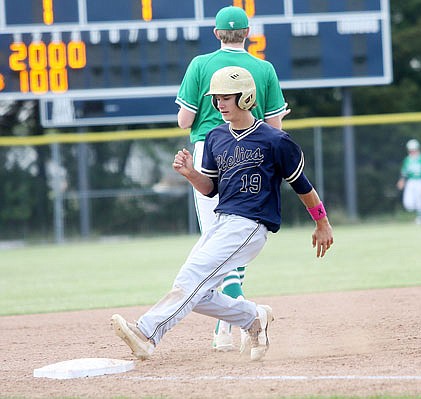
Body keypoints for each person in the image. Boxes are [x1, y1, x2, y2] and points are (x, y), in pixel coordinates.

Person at [111, 66, 333, 362]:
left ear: (246, 98)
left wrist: (322, 223)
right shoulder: (216, 137)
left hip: (252, 225)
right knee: (197, 290)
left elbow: (302, 185)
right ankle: (254, 319)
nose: (219, 104)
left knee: (191, 278)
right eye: (216, 99)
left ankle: (148, 334)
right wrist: (190, 174)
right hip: (222, 221)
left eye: (226, 97)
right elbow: (210, 188)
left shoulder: (276, 140)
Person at [175, 5, 289, 351]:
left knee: (215, 240)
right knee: (233, 239)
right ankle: (227, 326)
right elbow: (275, 128)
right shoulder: (264, 68)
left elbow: (184, 120)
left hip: (211, 152)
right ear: (248, 33)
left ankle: (239, 318)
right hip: (254, 154)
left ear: (216, 34)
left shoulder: (200, 65)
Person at [396, 139, 421, 225]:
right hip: (411, 181)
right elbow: (404, 173)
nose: (412, 151)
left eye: (414, 149)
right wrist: (401, 181)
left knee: (420, 200)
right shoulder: (407, 159)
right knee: (408, 204)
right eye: (411, 150)